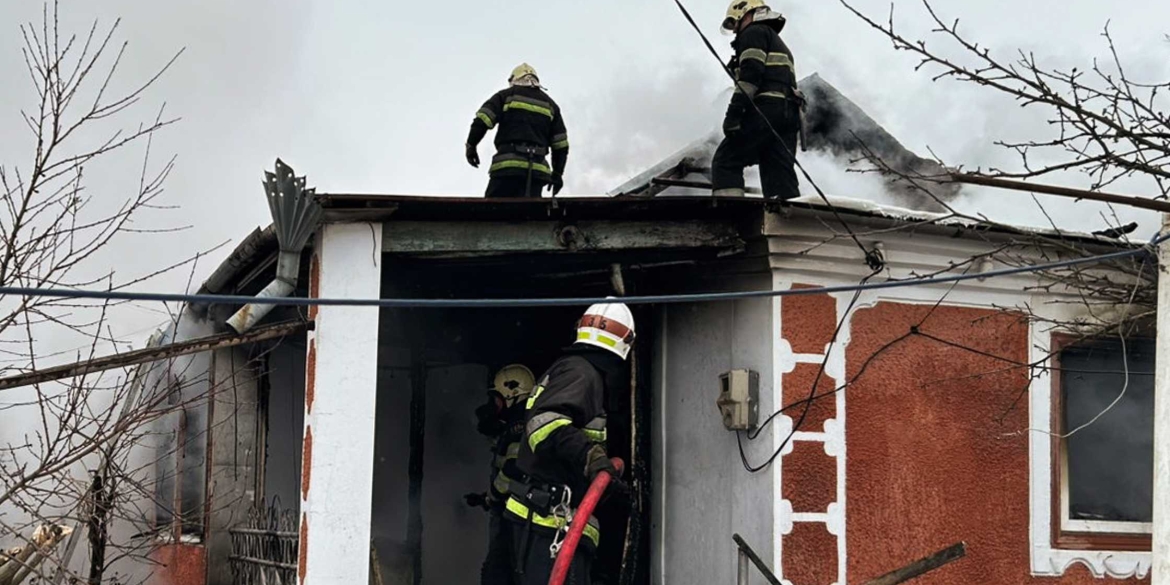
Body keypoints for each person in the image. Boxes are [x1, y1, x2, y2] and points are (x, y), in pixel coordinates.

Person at [505, 302, 634, 585]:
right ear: (625, 342)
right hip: (550, 522)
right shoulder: (582, 373)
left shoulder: (572, 369)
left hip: (545, 518)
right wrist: (592, 457)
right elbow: (545, 425)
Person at [710, 0, 802, 200]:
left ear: (747, 14)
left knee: (726, 160)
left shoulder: (754, 32)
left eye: (736, 23)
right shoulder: (777, 41)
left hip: (766, 110)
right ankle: (788, 225)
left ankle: (729, 217)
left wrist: (733, 116)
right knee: (778, 173)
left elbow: (751, 78)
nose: (736, 32)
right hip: (789, 115)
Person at [465, 364, 537, 585]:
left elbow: (513, 470)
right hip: (514, 517)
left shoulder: (518, 428)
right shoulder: (518, 424)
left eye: (496, 398)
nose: (494, 405)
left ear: (511, 394)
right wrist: (486, 498)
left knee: (499, 573)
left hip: (513, 519)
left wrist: (494, 495)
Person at [466, 63, 570, 199]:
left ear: (514, 80)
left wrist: (471, 146)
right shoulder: (551, 106)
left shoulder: (505, 96)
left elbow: (482, 120)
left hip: (506, 169)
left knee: (492, 214)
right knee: (530, 217)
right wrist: (557, 175)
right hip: (536, 173)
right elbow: (561, 145)